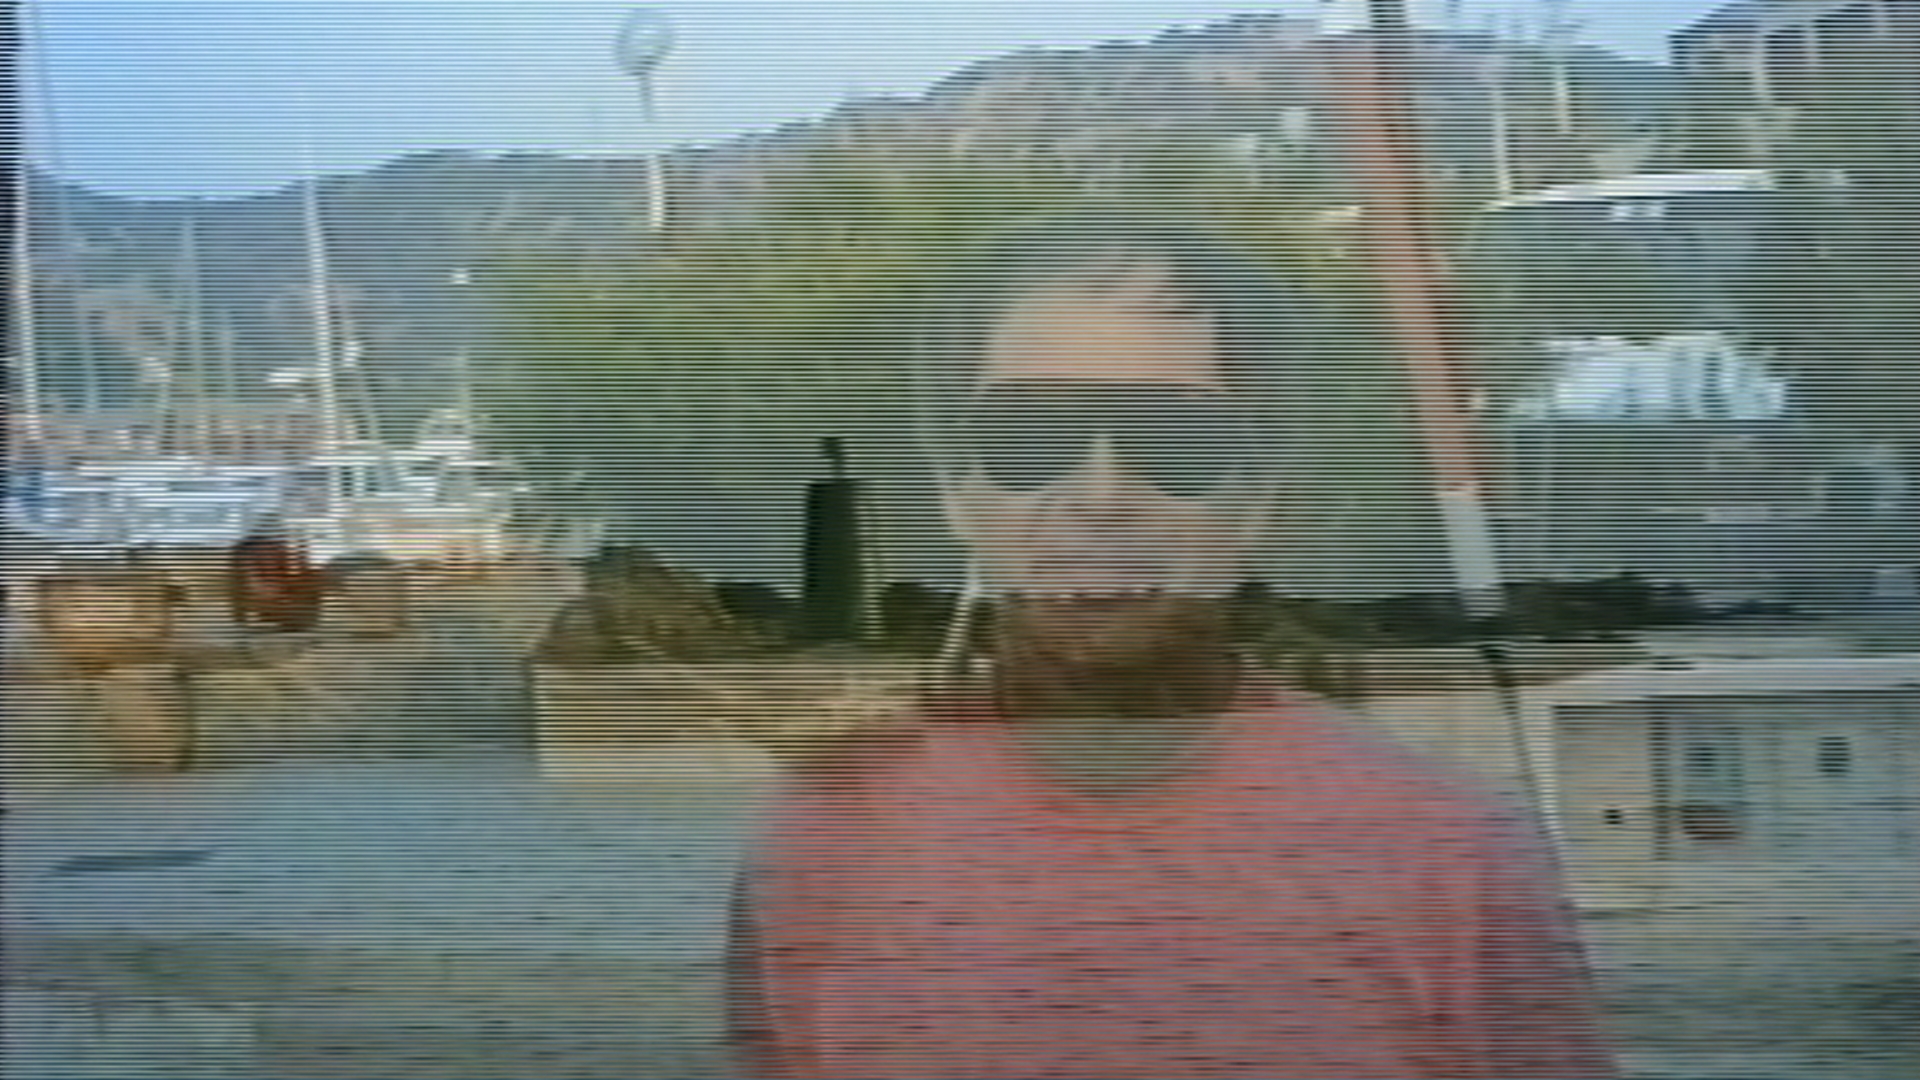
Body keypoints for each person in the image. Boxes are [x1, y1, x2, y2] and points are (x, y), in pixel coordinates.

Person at [726, 215, 1616, 1079]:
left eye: (1174, 438)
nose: (1101, 493)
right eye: (1030, 437)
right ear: (956, 492)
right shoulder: (825, 842)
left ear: (1259, 498)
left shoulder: (1448, 860)